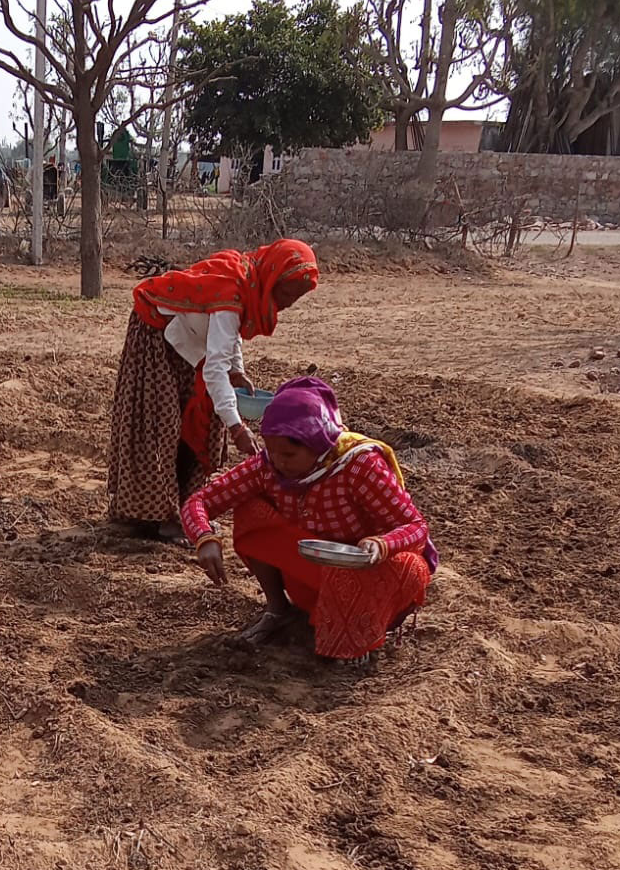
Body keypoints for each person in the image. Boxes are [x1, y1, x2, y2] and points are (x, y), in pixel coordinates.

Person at [181, 377, 438, 664]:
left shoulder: (358, 465)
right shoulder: (267, 466)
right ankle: (278, 609)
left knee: (406, 566)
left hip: (365, 572)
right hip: (311, 572)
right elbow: (199, 502)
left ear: (317, 444)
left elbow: (416, 527)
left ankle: (361, 635)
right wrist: (204, 537)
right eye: (271, 451)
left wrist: (382, 545)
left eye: (289, 454)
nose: (279, 462)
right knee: (251, 509)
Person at [107, 240, 318, 541]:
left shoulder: (248, 282)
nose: (287, 304)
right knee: (161, 423)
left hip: (185, 338)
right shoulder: (232, 290)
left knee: (198, 419)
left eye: (295, 298)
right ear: (272, 279)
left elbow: (231, 334)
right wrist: (237, 427)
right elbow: (216, 365)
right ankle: (159, 516)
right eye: (285, 294)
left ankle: (186, 507)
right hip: (154, 332)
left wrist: (237, 370)